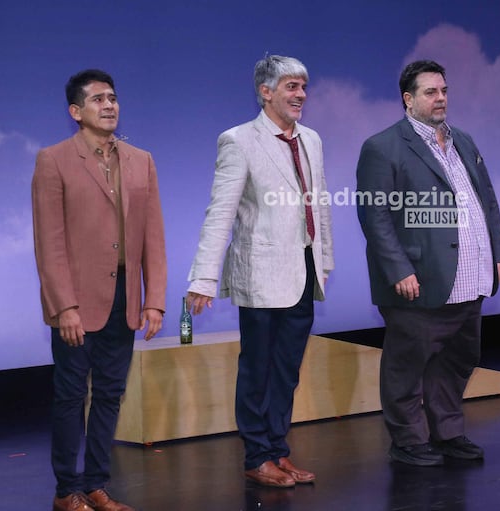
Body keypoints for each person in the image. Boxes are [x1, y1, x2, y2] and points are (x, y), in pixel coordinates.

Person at [185, 55, 334, 487]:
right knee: (258, 369)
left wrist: (323, 261)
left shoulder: (312, 139)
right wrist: (203, 277)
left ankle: (277, 448)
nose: (301, 94)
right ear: (265, 92)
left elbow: (319, 204)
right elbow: (220, 213)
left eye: (304, 86)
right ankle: (257, 455)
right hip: (261, 271)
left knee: (287, 369)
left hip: (304, 270)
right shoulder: (239, 140)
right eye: (291, 86)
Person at [356, 60, 500, 466]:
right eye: (430, 92)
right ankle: (408, 441)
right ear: (408, 99)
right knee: (407, 366)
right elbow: (376, 216)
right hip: (419, 280)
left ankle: (448, 434)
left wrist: (498, 254)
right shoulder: (383, 146)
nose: (440, 98)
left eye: (443, 90)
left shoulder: (464, 141)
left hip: (470, 277)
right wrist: (398, 269)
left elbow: (487, 202)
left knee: (457, 362)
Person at [32, 69, 167, 511]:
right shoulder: (53, 160)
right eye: (97, 100)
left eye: (112, 98)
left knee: (110, 394)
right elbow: (48, 242)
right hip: (76, 301)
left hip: (125, 297)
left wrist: (154, 301)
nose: (109, 105)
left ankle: (96, 485)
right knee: (71, 396)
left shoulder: (140, 159)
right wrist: (63, 305)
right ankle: (66, 491)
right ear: (76, 112)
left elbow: (153, 237)